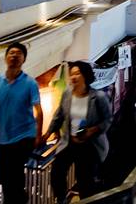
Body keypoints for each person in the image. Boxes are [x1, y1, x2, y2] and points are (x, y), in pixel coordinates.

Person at [0, 42, 43, 204]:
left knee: (14, 175)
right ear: (5, 58)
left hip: (24, 136)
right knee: (5, 178)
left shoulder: (30, 83)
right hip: (4, 138)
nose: (15, 56)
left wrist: (38, 135)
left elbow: (39, 111)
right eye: (11, 53)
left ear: (24, 59)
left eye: (19, 53)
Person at [44, 61, 112, 202]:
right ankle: (61, 199)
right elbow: (59, 115)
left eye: (77, 73)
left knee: (84, 180)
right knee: (57, 172)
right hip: (70, 142)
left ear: (85, 75)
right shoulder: (67, 94)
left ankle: (86, 200)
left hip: (89, 145)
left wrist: (92, 130)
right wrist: (47, 133)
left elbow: (107, 120)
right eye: (71, 74)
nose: (73, 77)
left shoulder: (98, 97)